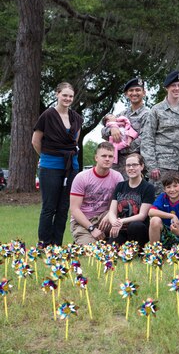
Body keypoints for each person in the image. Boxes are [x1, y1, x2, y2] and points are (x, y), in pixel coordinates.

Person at [32, 82, 83, 246]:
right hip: (50, 165)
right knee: (49, 207)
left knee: (63, 207)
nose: (67, 98)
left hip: (71, 166)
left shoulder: (77, 118)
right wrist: (47, 157)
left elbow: (74, 141)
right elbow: (35, 141)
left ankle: (57, 244)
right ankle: (44, 243)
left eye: (70, 96)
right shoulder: (47, 115)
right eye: (64, 95)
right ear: (57, 94)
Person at [142, 70, 179, 196]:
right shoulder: (156, 110)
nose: (176, 88)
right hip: (162, 166)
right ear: (167, 88)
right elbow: (147, 138)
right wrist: (152, 165)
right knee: (161, 201)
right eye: (173, 85)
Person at [69, 142, 124, 245]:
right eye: (104, 156)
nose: (107, 159)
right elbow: (74, 209)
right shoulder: (82, 177)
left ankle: (106, 240)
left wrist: (109, 214)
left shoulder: (117, 177)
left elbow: (119, 203)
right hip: (83, 220)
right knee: (92, 251)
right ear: (96, 158)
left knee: (122, 235)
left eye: (110, 156)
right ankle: (83, 239)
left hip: (105, 217)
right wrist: (92, 228)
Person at [100, 77, 150, 177]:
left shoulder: (148, 114)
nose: (134, 93)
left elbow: (145, 139)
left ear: (144, 93)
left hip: (134, 164)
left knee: (131, 192)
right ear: (126, 94)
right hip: (116, 164)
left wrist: (122, 146)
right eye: (131, 90)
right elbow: (103, 132)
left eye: (138, 90)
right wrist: (112, 129)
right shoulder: (121, 115)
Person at [107, 153, 155, 246]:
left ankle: (138, 248)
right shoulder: (120, 186)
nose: (131, 168)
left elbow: (142, 216)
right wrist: (115, 223)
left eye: (135, 165)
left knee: (135, 225)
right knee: (111, 250)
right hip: (121, 228)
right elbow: (112, 212)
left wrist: (121, 221)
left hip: (138, 230)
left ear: (142, 166)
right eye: (128, 165)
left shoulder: (148, 187)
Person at [148, 172, 179, 247]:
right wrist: (172, 216)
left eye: (175, 186)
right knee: (154, 220)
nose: (172, 190)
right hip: (165, 234)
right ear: (164, 189)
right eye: (168, 187)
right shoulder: (162, 197)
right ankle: (154, 251)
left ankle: (177, 249)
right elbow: (151, 212)